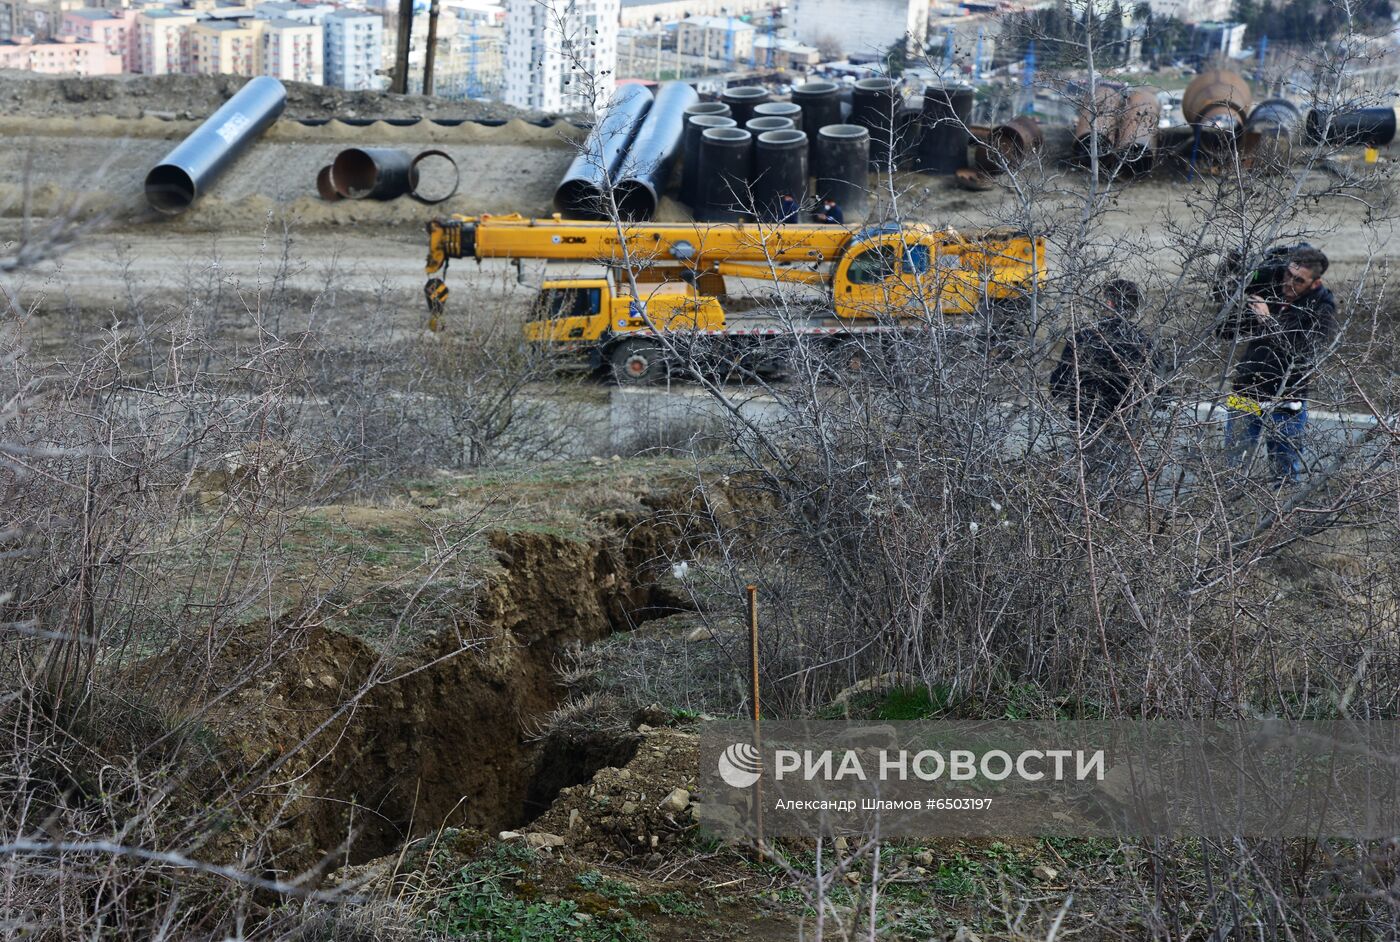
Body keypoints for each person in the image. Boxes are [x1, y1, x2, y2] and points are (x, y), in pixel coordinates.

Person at [1220, 245, 1337, 485]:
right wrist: (1231, 281)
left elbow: (1302, 350)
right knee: (1232, 467)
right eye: (1288, 274)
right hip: (1246, 388)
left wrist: (1268, 320)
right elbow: (1225, 330)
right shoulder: (1271, 289)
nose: (1289, 283)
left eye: (1298, 280)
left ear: (1315, 283)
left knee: (1284, 472)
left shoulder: (1322, 309)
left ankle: (1278, 520)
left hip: (1288, 395)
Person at [1049, 278, 1155, 439]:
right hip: (1130, 430)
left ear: (1109, 303)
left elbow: (1058, 388)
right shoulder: (1146, 344)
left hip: (1087, 427)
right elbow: (1160, 394)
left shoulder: (1082, 339)